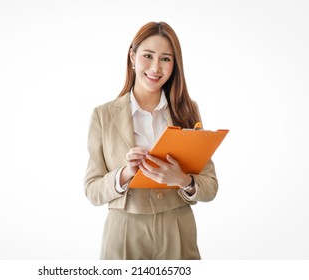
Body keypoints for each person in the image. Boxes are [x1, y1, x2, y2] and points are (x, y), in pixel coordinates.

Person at [84, 21, 218, 260]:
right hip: (125, 231)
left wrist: (183, 180)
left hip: (178, 227)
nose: (156, 67)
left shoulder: (187, 111)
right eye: (148, 56)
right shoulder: (103, 115)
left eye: (166, 59)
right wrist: (124, 174)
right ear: (133, 57)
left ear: (174, 64)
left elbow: (210, 187)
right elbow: (92, 191)